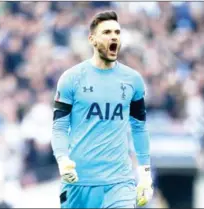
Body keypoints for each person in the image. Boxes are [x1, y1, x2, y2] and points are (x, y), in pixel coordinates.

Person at [51, 10, 153, 208]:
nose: (113, 36)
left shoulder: (133, 80)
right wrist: (62, 160)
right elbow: (59, 127)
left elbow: (139, 128)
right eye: (106, 32)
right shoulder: (71, 79)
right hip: (78, 182)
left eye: (117, 32)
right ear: (92, 39)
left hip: (119, 182)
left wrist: (145, 173)